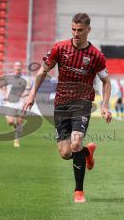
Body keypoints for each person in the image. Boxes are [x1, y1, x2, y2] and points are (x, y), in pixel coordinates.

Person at [22, 13, 112, 202]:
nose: (76, 33)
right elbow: (43, 71)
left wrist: (104, 105)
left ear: (88, 30)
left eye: (80, 30)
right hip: (62, 104)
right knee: (65, 153)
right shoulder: (60, 48)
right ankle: (87, 152)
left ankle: (78, 191)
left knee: (76, 143)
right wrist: (31, 94)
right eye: (73, 29)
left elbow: (106, 81)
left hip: (83, 103)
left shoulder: (96, 55)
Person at [4, 61, 31, 147]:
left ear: (21, 68)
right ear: (13, 68)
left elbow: (28, 91)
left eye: (19, 66)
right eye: (16, 66)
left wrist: (21, 95)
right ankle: (14, 126)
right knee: (10, 122)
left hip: (20, 102)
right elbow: (4, 86)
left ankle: (16, 140)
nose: (17, 68)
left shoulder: (26, 79)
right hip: (9, 102)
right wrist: (5, 94)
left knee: (19, 121)